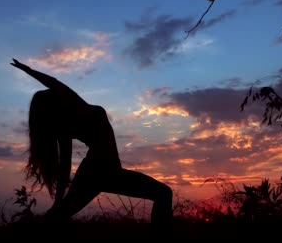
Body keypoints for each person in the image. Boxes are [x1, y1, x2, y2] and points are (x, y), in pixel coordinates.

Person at [11, 59, 173, 225]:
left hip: (103, 170)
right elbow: (65, 165)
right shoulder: (65, 125)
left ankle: (29, 233)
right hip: (99, 170)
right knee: (163, 193)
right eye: (54, 96)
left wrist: (28, 70)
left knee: (57, 217)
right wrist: (59, 199)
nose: (58, 93)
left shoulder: (77, 107)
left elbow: (54, 83)